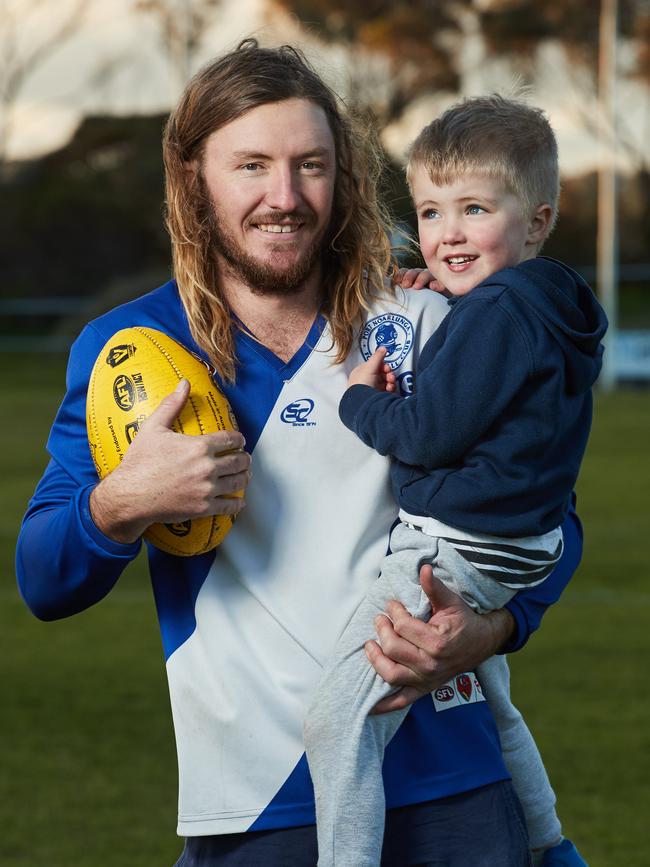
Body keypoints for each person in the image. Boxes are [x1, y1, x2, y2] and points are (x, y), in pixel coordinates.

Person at [16, 44, 583, 867]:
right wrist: (122, 503)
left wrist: (495, 626)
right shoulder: (128, 352)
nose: (284, 198)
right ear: (193, 178)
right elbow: (43, 579)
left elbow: (549, 512)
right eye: (251, 165)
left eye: (309, 165)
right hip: (258, 801)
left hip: (454, 790)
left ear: (340, 174)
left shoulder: (424, 313)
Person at [304, 95, 605, 867]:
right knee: (493, 700)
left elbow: (426, 433)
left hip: (456, 546)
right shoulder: (549, 301)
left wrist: (360, 401)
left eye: (475, 209)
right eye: (432, 212)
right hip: (518, 544)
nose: (448, 234)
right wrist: (453, 295)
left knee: (337, 722)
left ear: (536, 221)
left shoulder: (499, 313)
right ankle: (551, 846)